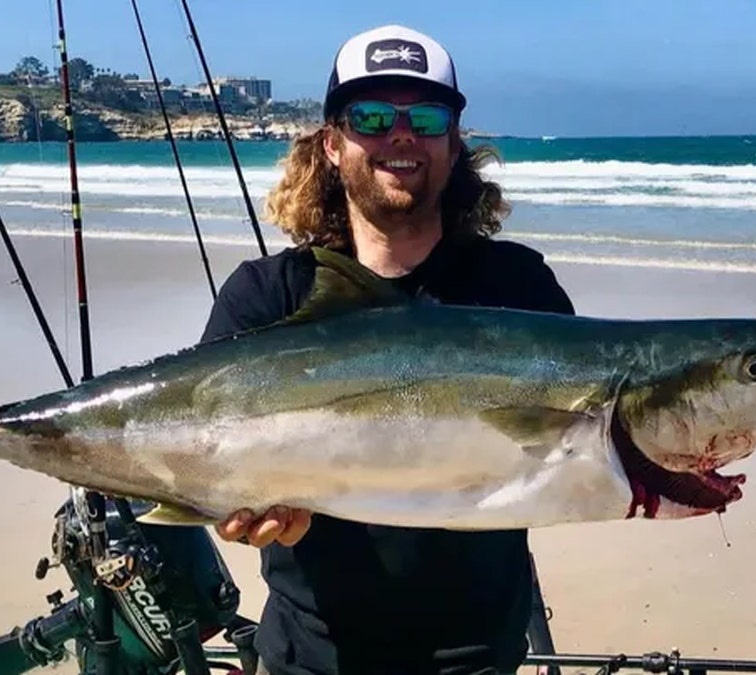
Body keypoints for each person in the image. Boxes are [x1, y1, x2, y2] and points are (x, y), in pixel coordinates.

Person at [198, 24, 576, 675]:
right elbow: (204, 452)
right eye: (372, 116)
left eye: (426, 116)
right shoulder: (265, 300)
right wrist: (239, 501)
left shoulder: (519, 289)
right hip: (312, 655)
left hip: (480, 655)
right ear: (333, 142)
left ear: (454, 144)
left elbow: (569, 454)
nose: (401, 134)